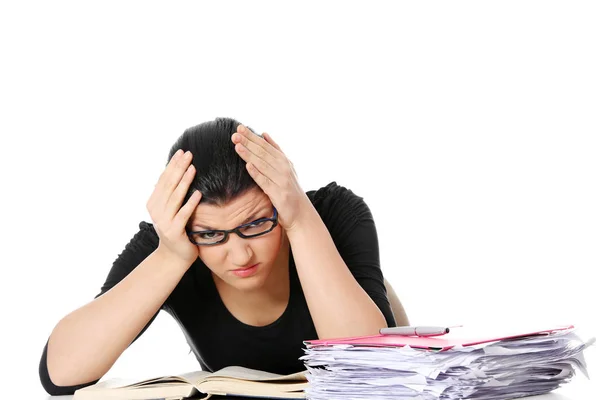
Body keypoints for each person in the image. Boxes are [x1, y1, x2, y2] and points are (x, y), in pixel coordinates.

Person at [39, 117, 409, 396]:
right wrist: (170, 257)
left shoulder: (329, 214)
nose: (240, 253)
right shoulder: (171, 243)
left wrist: (300, 219)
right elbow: (61, 373)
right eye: (211, 234)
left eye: (256, 223)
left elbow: (370, 370)